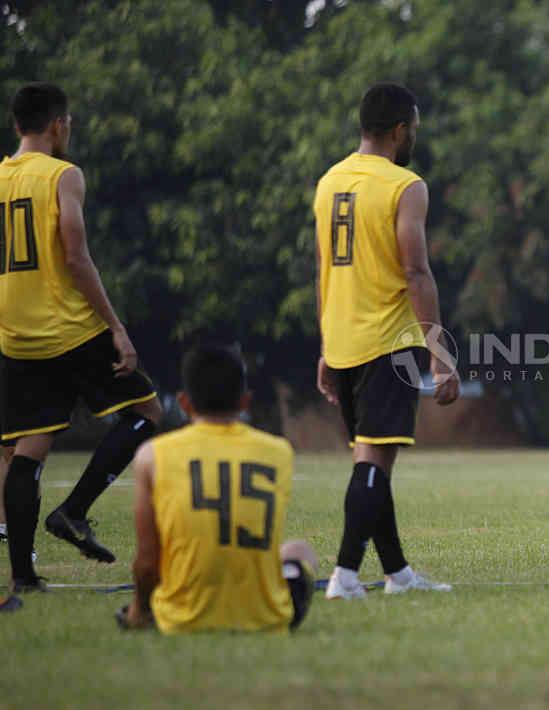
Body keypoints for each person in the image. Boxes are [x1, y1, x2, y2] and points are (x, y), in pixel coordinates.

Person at [0, 83, 163, 593]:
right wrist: (116, 327)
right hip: (69, 328)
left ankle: (24, 579)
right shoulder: (63, 176)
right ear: (57, 125)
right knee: (147, 413)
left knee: (29, 451)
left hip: (17, 335)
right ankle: (73, 511)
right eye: (68, 121)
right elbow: (75, 256)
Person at [314, 83, 459, 599]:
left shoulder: (330, 181)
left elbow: (325, 270)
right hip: (387, 343)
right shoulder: (405, 185)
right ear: (402, 129)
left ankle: (397, 574)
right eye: (414, 128)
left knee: (373, 460)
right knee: (372, 462)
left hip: (346, 339)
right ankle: (345, 576)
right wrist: (441, 357)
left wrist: (327, 347)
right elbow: (416, 272)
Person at [118, 344, 318, 633]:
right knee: (299, 550)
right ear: (245, 401)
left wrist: (138, 611)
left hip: (183, 619)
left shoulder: (153, 454)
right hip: (264, 619)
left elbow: (148, 562)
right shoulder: (279, 452)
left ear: (185, 403)